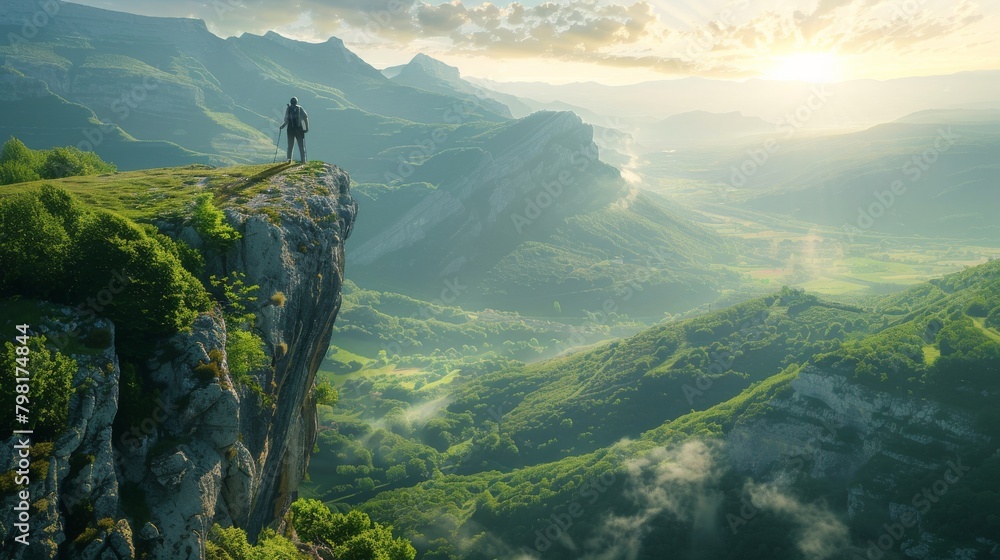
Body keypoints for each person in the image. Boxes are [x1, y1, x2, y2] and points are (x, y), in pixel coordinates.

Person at [279, 97, 309, 164]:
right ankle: (303, 161)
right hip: (299, 129)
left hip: (290, 130)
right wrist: (306, 128)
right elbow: (305, 118)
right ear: (296, 102)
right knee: (301, 146)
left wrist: (282, 126)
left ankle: (289, 160)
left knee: (290, 146)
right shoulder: (299, 108)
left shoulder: (289, 108)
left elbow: (286, 120)